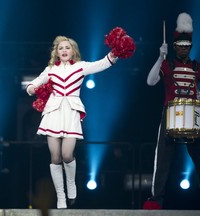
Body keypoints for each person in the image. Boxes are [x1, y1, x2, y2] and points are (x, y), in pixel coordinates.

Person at [26, 33, 135, 209]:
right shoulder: (50, 69)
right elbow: (36, 82)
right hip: (52, 113)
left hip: (71, 112)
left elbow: (102, 64)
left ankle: (71, 183)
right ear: (56, 52)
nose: (64, 50)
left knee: (67, 155)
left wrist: (114, 54)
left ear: (73, 51)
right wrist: (32, 88)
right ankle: (61, 196)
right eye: (60, 48)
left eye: (67, 47)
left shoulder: (80, 67)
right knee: (55, 157)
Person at [143, 12, 200, 210]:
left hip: (193, 116)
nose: (183, 49)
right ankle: (155, 199)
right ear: (175, 47)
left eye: (187, 46)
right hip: (170, 114)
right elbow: (150, 82)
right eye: (180, 46)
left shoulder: (196, 66)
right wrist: (160, 56)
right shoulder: (167, 64)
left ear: (190, 47)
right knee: (163, 157)